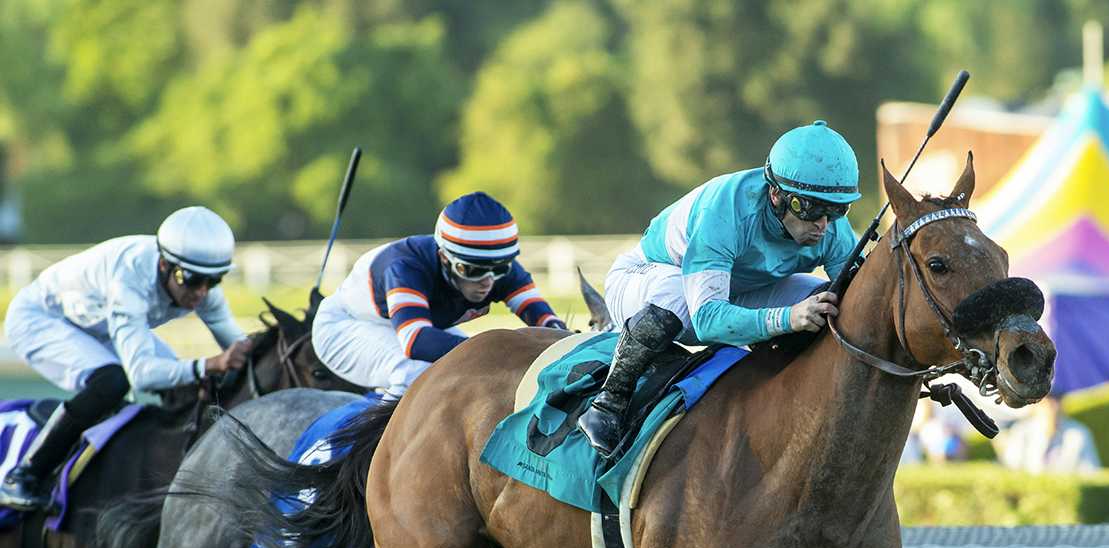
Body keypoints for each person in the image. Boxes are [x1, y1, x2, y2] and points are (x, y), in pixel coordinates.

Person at [579, 120, 862, 454]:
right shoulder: (724, 211)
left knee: (825, 298)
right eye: (809, 207)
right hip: (652, 279)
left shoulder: (830, 227)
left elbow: (860, 295)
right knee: (676, 301)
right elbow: (707, 319)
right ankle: (608, 402)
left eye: (836, 210)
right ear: (776, 194)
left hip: (734, 291)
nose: (822, 224)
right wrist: (787, 319)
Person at [0, 206, 254, 510]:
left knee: (183, 387)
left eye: (212, 281)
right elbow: (142, 375)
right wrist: (208, 364)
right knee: (112, 382)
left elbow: (239, 345)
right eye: (191, 279)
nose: (201, 292)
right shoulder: (130, 277)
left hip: (101, 325)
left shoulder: (197, 280)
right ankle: (24, 474)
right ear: (164, 264)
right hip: (41, 320)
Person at [311, 192, 568, 398]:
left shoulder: (494, 264)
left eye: (499, 269)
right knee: (413, 372)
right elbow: (416, 341)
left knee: (474, 371)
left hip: (414, 326)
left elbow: (544, 319)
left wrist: (568, 343)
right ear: (444, 256)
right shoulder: (405, 266)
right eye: (472, 271)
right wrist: (503, 351)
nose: (487, 282)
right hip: (345, 326)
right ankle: (371, 455)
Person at [994, 388, 1101, 474]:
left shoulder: (1078, 434)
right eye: (1047, 400)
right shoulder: (1022, 431)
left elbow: (1091, 473)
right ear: (1035, 404)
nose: (1052, 406)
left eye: (1057, 400)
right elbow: (1010, 469)